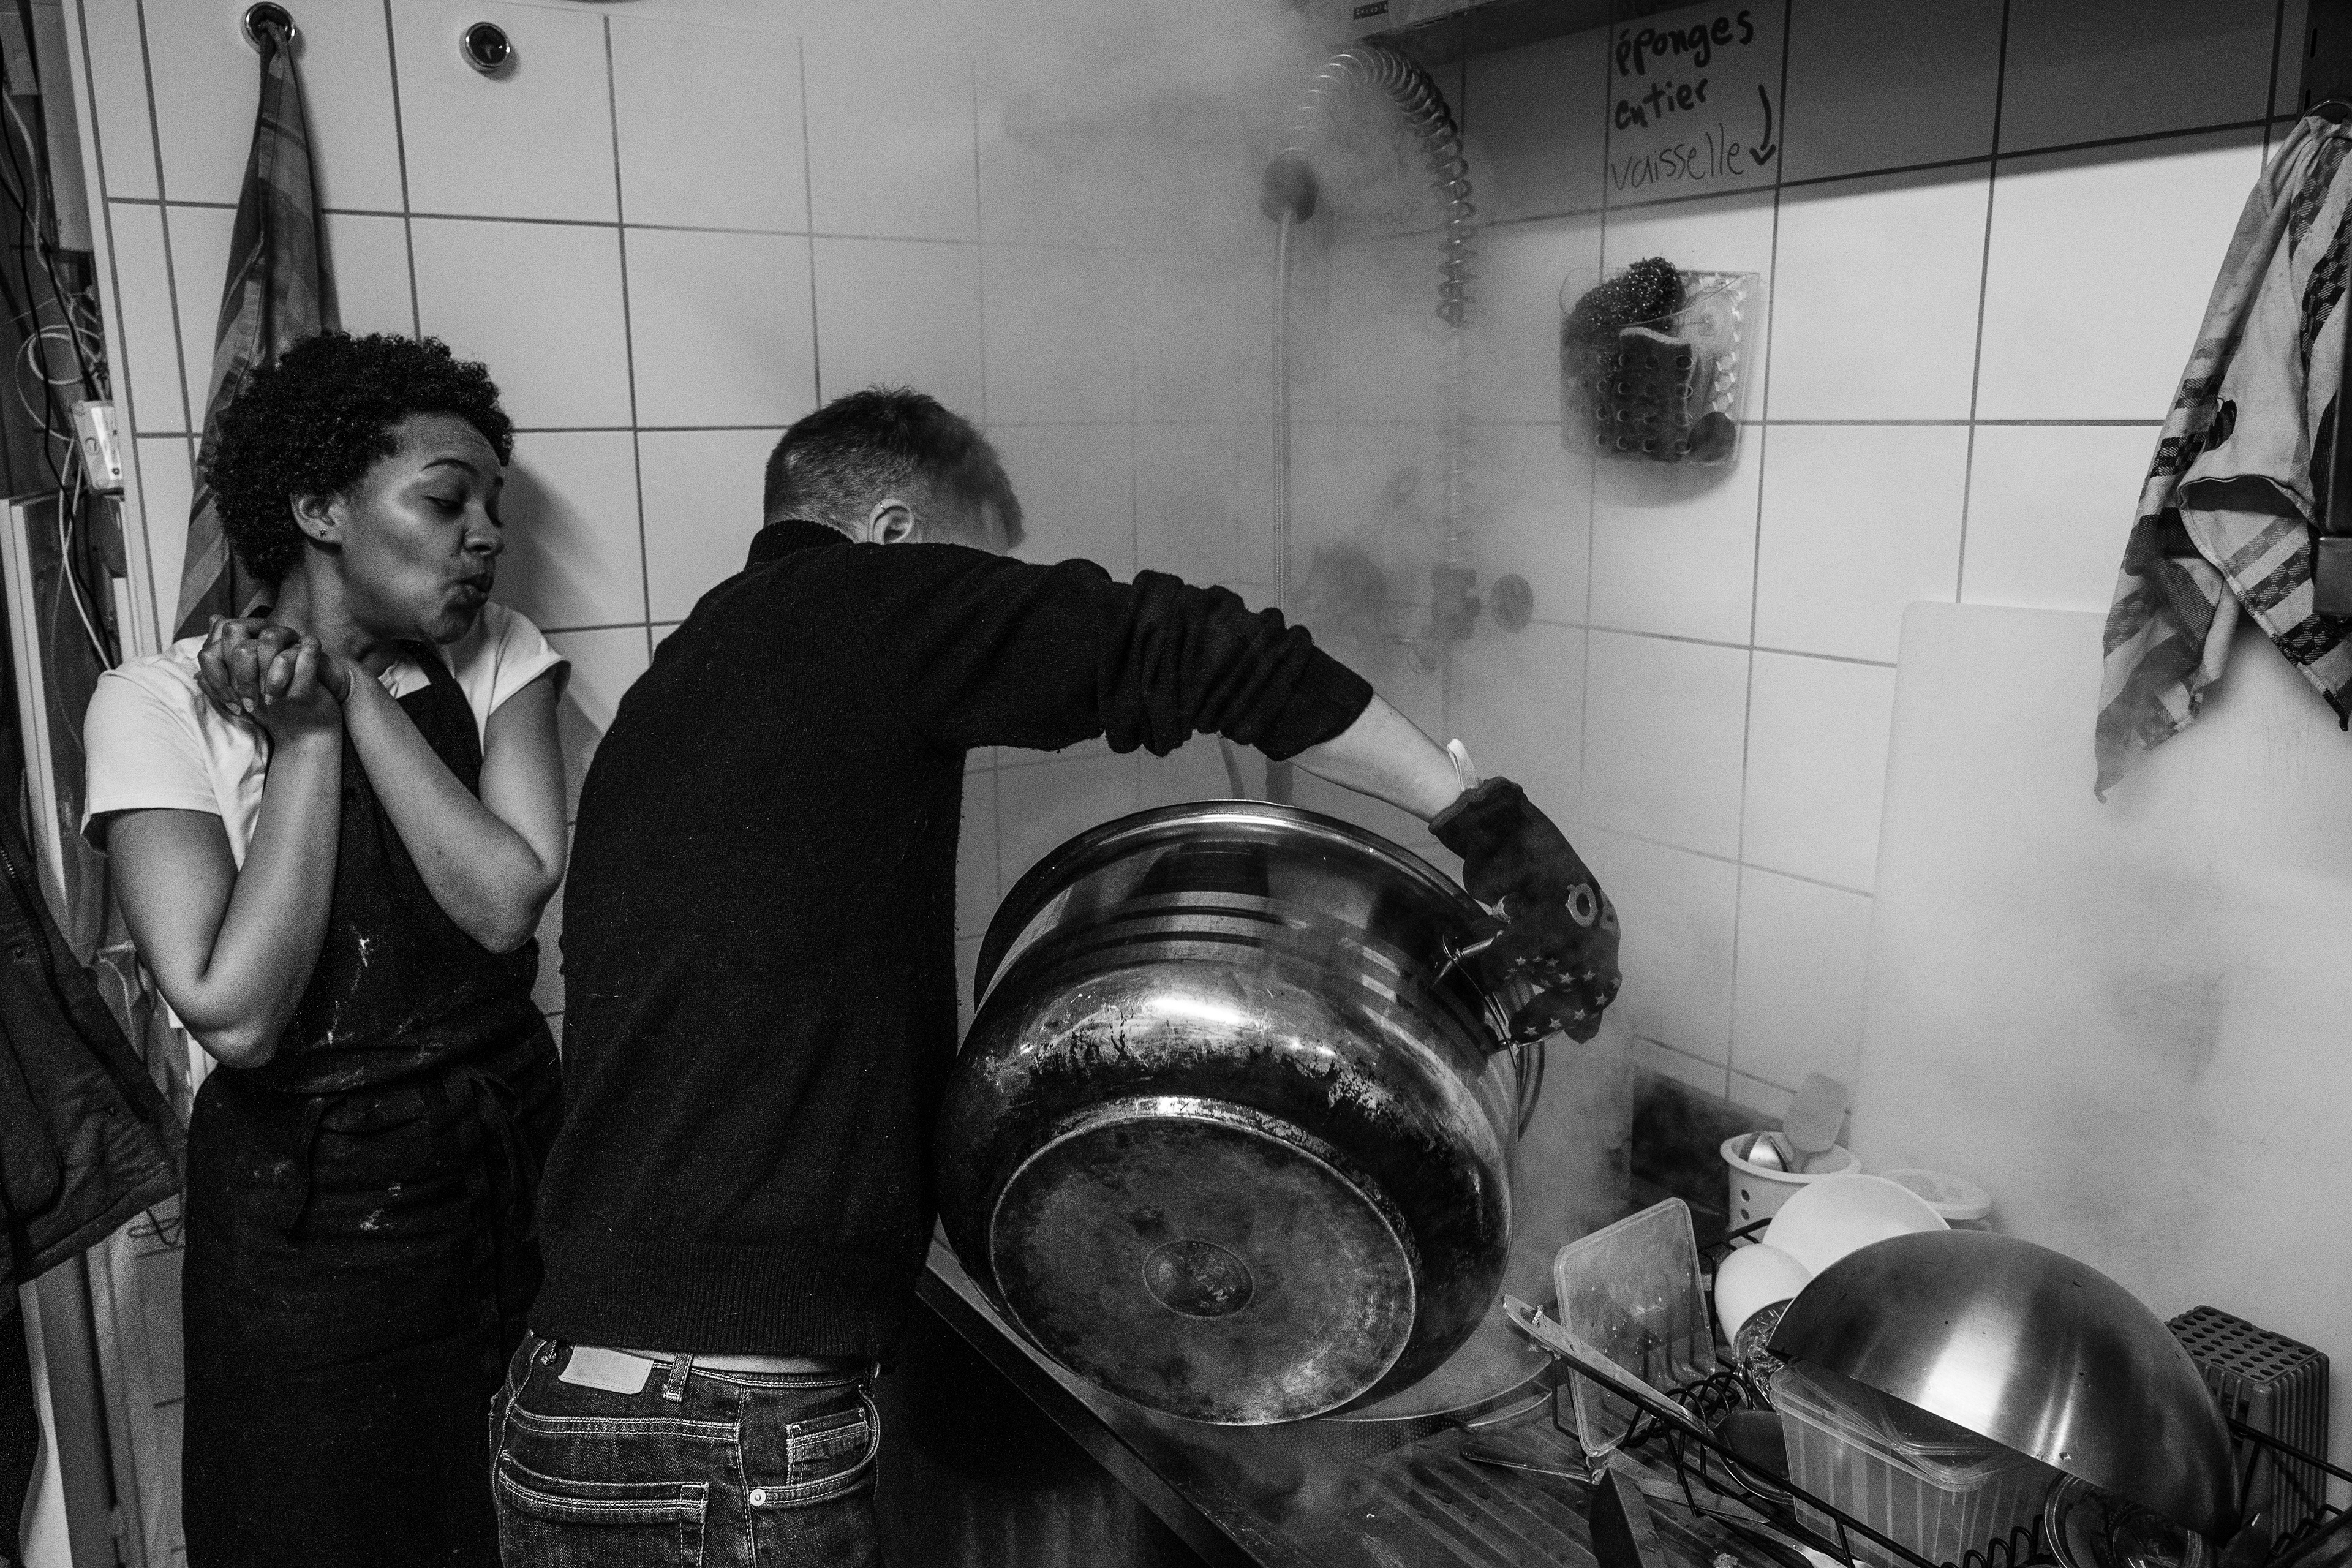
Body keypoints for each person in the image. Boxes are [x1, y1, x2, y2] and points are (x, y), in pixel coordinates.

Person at [492, 387, 1617, 1567]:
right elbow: (1196, 649)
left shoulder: (691, 679)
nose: (983, 608)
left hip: (583, 1412)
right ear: (891, 534)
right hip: (720, 1440)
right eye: (970, 573)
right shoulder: (857, 605)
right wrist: (1487, 822)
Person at [83, 333, 571, 1568]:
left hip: (516, 1170)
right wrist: (302, 743)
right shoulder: (156, 701)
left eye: (494, 508)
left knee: (534, 1523)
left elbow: (504, 902)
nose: (485, 536)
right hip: (308, 1223)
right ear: (320, 510)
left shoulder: (500, 653)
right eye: (446, 501)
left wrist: (347, 696)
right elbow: (237, 1011)